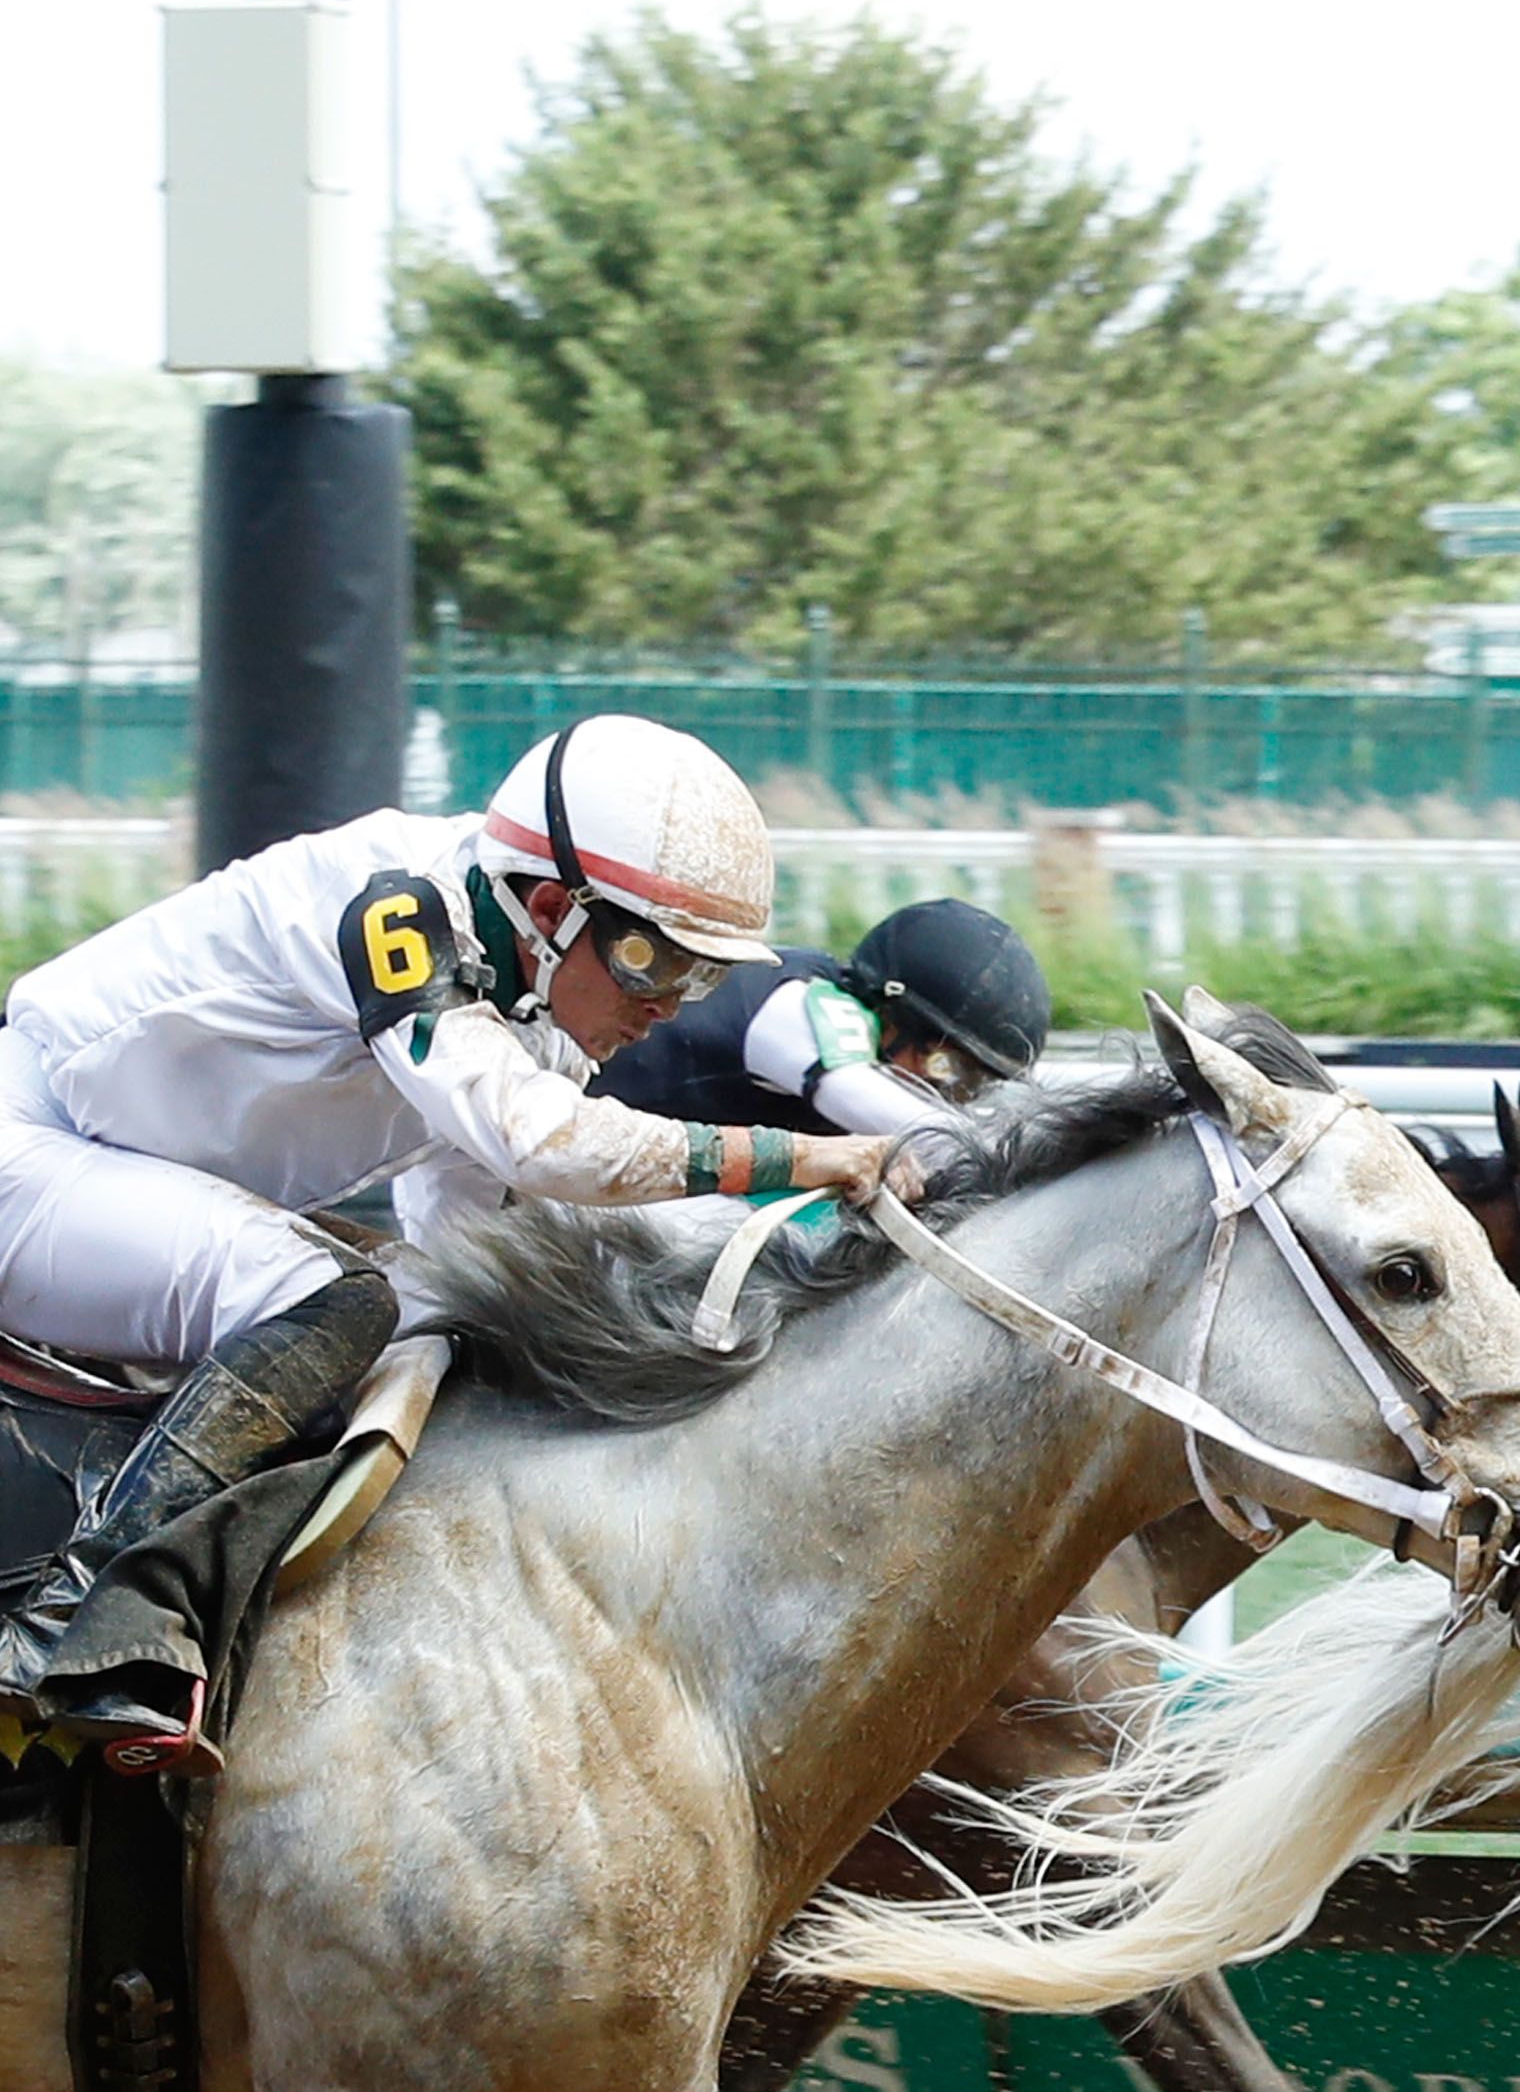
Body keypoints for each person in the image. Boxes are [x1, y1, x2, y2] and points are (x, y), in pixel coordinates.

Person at [0, 712, 913, 1757]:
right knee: (333, 1298)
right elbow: (538, 1145)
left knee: (421, 1325)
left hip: (117, 1174)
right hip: (31, 1144)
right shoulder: (403, 905)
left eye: (701, 980)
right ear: (555, 909)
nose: (669, 1008)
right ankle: (68, 1625)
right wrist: (804, 1161)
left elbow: (472, 1244)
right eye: (654, 963)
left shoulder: (528, 1011)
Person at [599, 894, 1052, 1161]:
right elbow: (934, 1139)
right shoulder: (806, 1007)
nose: (951, 1094)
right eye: (948, 1068)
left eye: (973, 1086)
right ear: (891, 1016)